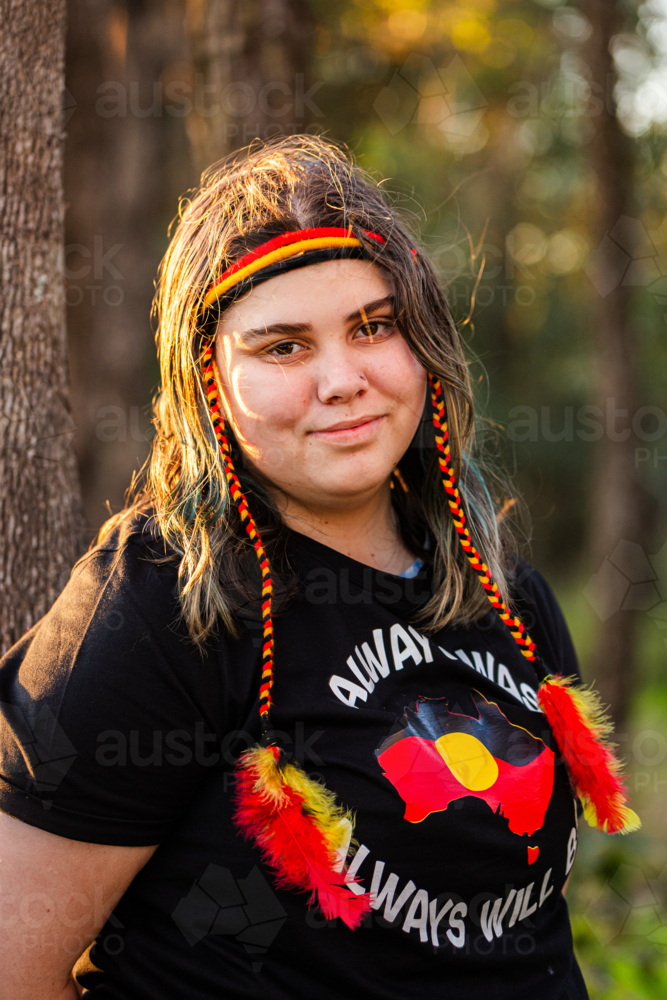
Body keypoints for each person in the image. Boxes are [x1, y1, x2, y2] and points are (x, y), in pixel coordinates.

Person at [0, 136, 638, 1000]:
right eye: (282, 346)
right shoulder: (159, 602)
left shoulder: (499, 582)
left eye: (373, 326)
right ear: (209, 381)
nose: (342, 380)